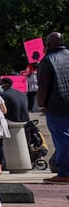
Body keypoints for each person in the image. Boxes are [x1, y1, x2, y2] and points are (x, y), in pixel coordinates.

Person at [37, 32, 69, 183]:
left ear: (49, 45)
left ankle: (65, 173)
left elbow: (43, 86)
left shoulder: (47, 60)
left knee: (62, 139)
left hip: (57, 105)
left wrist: (41, 104)